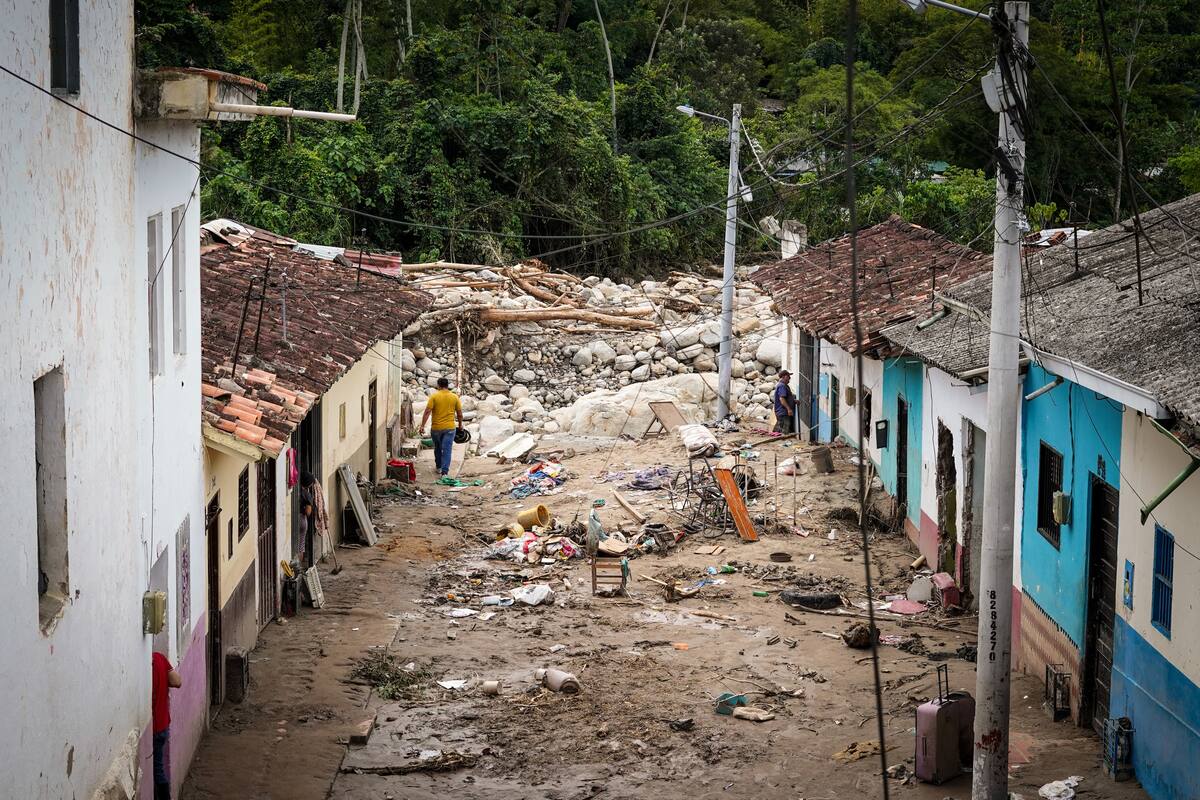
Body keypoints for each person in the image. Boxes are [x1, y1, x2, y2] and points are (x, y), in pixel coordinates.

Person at [152, 651, 182, 800]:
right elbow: (177, 681)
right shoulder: (159, 658)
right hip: (163, 724)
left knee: (156, 771)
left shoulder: (143, 667)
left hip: (153, 728)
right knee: (159, 768)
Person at [421, 377, 464, 477]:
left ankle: (439, 467)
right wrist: (460, 425)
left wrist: (422, 426)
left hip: (436, 428)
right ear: (447, 385)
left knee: (438, 448)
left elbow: (427, 412)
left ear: (438, 385)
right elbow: (459, 414)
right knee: (447, 450)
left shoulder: (434, 397)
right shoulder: (454, 397)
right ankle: (445, 472)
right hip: (450, 429)